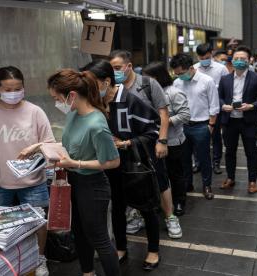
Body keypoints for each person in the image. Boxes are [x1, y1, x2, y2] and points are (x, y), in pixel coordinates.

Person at [0, 66, 55, 276]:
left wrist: (38, 155)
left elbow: (49, 143)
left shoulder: (35, 112)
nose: (13, 92)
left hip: (33, 181)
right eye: (8, 88)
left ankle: (39, 259)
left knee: (37, 223)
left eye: (18, 88)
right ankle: (1, 263)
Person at [81, 59, 163, 271]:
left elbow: (154, 128)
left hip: (135, 164)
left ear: (105, 82)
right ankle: (121, 247)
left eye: (91, 83)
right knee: (117, 207)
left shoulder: (130, 100)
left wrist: (127, 143)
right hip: (110, 166)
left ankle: (153, 250)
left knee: (146, 208)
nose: (86, 89)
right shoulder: (95, 103)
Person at [47, 69, 121, 276]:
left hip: (93, 187)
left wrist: (76, 163)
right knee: (79, 232)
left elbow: (113, 161)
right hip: (74, 183)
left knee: (99, 238)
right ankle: (88, 273)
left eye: (56, 98)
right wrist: (40, 148)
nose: (55, 103)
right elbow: (70, 145)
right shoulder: (73, 115)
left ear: (71, 95)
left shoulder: (97, 123)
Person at [109, 50, 174, 234]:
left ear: (129, 66)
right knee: (134, 180)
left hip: (149, 141)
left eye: (117, 68)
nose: (115, 72)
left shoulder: (147, 83)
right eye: (112, 68)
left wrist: (162, 140)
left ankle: (170, 216)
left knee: (159, 179)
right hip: (127, 146)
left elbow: (163, 113)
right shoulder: (114, 87)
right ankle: (137, 214)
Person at [218, 45, 257, 194]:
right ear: (232, 60)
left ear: (249, 60)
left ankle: (252, 181)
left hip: (248, 121)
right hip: (230, 121)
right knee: (229, 151)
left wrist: (252, 106)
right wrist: (223, 106)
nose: (239, 61)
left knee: (251, 152)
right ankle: (230, 178)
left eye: (243, 59)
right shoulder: (225, 79)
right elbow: (219, 97)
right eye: (236, 59)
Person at [170, 53, 220, 200]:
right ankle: (188, 183)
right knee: (184, 158)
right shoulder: (177, 82)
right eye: (176, 74)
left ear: (191, 68)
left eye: (181, 73)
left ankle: (207, 185)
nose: (179, 76)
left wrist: (211, 125)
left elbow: (214, 105)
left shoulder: (207, 81)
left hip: (201, 126)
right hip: (182, 126)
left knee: (204, 158)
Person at [144, 62, 190, 217]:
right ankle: (162, 203)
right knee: (159, 175)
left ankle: (179, 202)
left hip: (173, 141)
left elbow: (184, 115)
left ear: (158, 77)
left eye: (149, 78)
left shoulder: (174, 93)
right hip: (154, 141)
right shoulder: (147, 93)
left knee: (175, 173)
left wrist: (164, 121)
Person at [194, 43, 229, 175]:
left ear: (212, 54)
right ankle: (197, 162)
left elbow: (226, 89)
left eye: (207, 57)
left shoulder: (221, 69)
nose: (204, 60)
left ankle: (216, 162)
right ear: (198, 56)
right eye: (201, 57)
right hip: (199, 109)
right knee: (198, 138)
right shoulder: (194, 68)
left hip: (216, 108)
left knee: (215, 138)